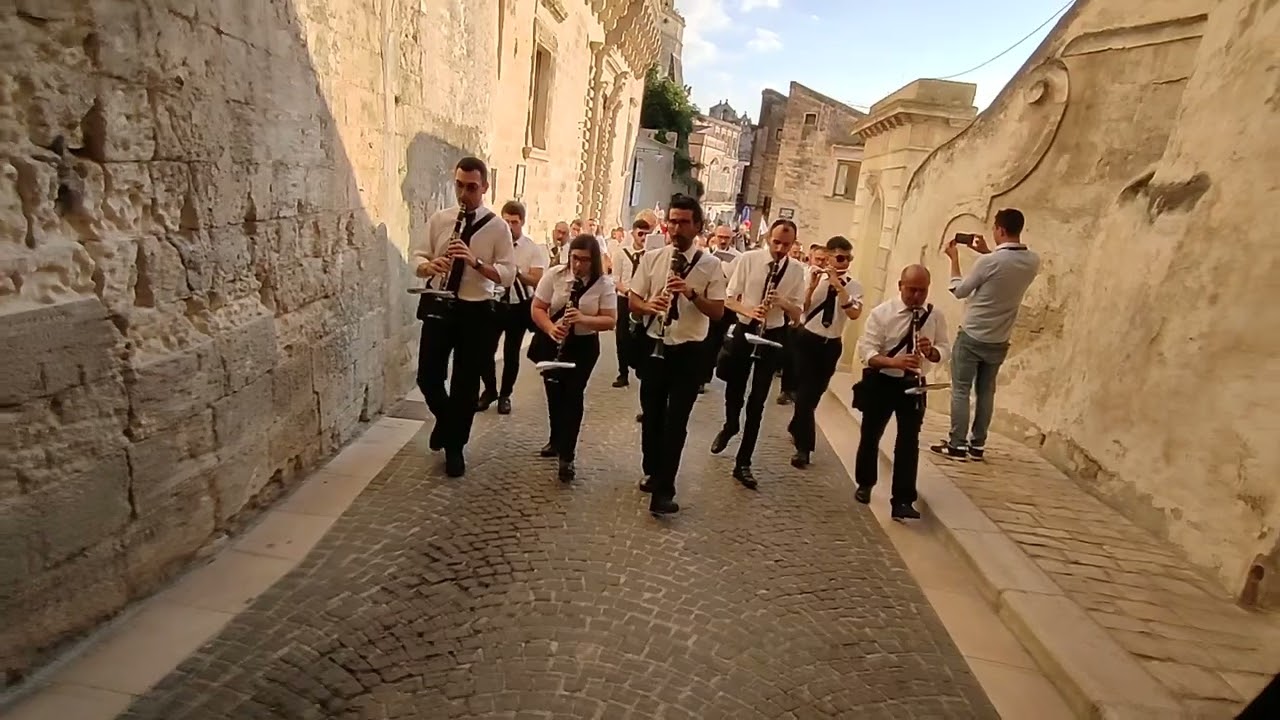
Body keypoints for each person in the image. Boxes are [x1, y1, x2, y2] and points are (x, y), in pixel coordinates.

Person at [410, 157, 517, 478]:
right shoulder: (441, 219)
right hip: (439, 303)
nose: (464, 194)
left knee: (465, 385)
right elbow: (418, 254)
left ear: (484, 188)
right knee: (427, 376)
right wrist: (428, 267)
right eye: (459, 185)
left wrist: (476, 262)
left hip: (476, 310)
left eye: (472, 187)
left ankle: (455, 447)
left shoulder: (497, 227)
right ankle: (446, 422)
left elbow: (508, 273)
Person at [629, 195, 727, 515]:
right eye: (672, 221)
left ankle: (665, 488)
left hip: (689, 351)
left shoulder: (711, 265)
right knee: (652, 415)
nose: (676, 227)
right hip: (655, 343)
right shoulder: (653, 258)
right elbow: (633, 300)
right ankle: (652, 468)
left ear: (697, 226)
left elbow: (717, 311)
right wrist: (650, 306)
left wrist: (690, 292)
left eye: (684, 222)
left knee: (676, 422)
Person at [932, 209, 1041, 461]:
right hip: (1000, 337)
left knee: (960, 390)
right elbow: (1004, 269)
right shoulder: (1032, 261)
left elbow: (959, 290)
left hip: (972, 333)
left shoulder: (989, 262)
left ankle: (956, 444)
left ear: (1000, 229)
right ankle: (977, 444)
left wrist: (954, 259)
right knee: (986, 392)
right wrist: (986, 252)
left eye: (994, 227)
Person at [710, 219, 806, 489]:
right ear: (767, 239)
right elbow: (729, 298)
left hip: (774, 333)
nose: (780, 249)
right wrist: (750, 311)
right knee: (735, 387)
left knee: (758, 399)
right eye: (776, 242)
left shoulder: (797, 270)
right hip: (745, 326)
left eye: (786, 245)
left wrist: (782, 302)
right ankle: (730, 425)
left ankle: (744, 462)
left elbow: (798, 314)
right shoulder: (749, 260)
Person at [853, 265, 951, 519]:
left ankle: (903, 500)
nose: (917, 296)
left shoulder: (934, 315)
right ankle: (865, 483)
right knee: (871, 434)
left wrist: (931, 352)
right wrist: (894, 362)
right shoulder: (882, 314)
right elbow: (868, 352)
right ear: (900, 286)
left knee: (908, 442)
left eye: (923, 290)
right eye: (912, 290)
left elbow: (944, 347)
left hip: (914, 383)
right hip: (883, 381)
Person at [530, 234, 617, 481]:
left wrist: (582, 319)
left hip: (583, 345)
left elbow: (610, 320)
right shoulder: (556, 275)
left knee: (573, 395)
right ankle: (556, 439)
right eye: (575, 258)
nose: (578, 265)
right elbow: (537, 307)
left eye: (585, 260)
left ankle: (567, 456)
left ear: (595, 261)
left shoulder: (604, 284)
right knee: (554, 394)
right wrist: (550, 328)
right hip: (553, 341)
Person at [787, 236, 863, 468]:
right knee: (806, 394)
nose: (844, 263)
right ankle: (804, 448)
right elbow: (803, 308)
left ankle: (796, 425)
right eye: (840, 258)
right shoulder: (813, 278)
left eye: (848, 258)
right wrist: (811, 286)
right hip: (808, 338)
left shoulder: (853, 285)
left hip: (831, 344)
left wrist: (839, 286)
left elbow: (854, 314)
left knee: (814, 394)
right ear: (829, 256)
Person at [477, 200, 548, 415]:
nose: (509, 226)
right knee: (484, 351)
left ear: (522, 222)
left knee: (511, 353)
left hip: (518, 306)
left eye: (514, 222)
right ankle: (490, 390)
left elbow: (537, 279)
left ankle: (505, 395)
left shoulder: (531, 249)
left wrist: (516, 273)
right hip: (494, 302)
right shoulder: (493, 243)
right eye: (506, 221)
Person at [610, 218, 652, 388]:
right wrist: (627, 291)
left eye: (646, 234)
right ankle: (622, 372)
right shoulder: (621, 253)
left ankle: (641, 368)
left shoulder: (650, 255)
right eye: (640, 234)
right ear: (633, 233)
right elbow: (615, 279)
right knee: (622, 336)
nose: (643, 237)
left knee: (642, 335)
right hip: (624, 298)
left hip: (643, 299)